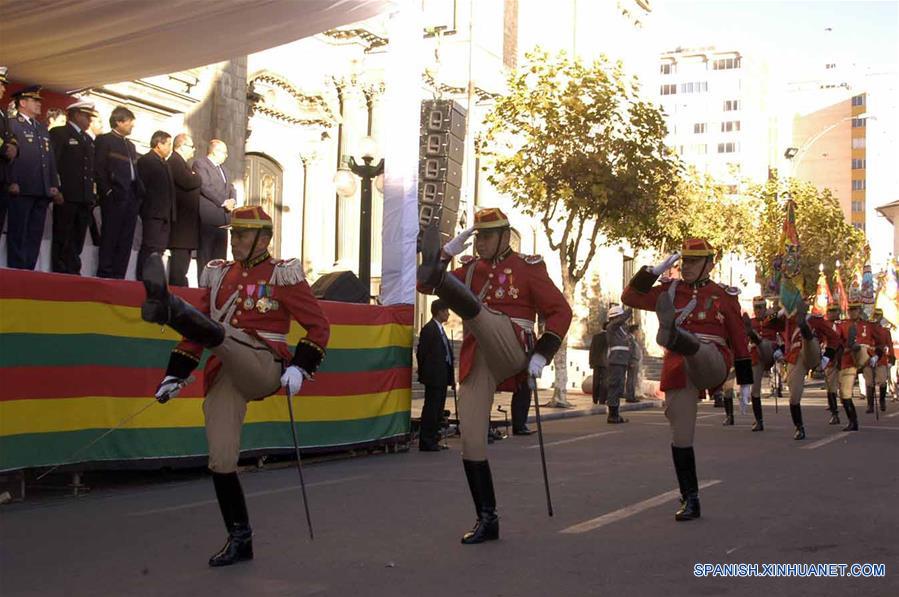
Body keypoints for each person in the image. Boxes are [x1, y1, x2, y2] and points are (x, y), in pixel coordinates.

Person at [140, 205, 329, 567]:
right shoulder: (219, 275)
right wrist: (175, 375)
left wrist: (301, 367)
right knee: (221, 457)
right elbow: (200, 331)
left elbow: (319, 326)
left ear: (263, 238)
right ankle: (240, 538)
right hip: (225, 366)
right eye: (233, 234)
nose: (234, 240)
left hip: (264, 362)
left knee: (223, 334)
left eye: (241, 234)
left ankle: (167, 307)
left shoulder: (282, 274)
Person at [417, 208, 572, 544]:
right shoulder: (471, 268)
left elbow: (560, 310)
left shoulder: (528, 267)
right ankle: (487, 518)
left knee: (482, 313)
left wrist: (543, 353)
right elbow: (423, 283)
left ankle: (466, 301)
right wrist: (444, 256)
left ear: (504, 236)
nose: (482, 242)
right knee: (471, 439)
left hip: (513, 344)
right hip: (480, 355)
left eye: (487, 236)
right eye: (478, 236)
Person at [621, 238, 752, 521]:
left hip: (712, 360)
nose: (688, 267)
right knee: (681, 436)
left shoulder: (723, 296)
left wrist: (746, 383)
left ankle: (678, 337)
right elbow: (629, 298)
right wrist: (653, 272)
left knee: (698, 349)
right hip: (678, 367)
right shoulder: (669, 291)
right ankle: (690, 498)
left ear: (710, 264)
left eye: (695, 261)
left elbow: (739, 339)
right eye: (685, 261)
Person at [7, 85, 62, 270]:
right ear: (22, 103)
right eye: (35, 101)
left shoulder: (41, 128)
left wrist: (54, 184)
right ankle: (17, 269)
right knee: (19, 232)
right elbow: (11, 158)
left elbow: (50, 158)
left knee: (35, 233)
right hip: (22, 187)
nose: (39, 104)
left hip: (41, 189)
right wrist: (12, 180)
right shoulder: (13, 124)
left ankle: (28, 269)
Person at [49, 100, 97, 274]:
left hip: (83, 197)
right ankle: (60, 270)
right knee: (63, 236)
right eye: (86, 116)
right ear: (76, 115)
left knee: (78, 237)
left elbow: (90, 170)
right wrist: (56, 188)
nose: (89, 120)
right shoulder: (60, 133)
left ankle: (72, 270)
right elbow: (53, 163)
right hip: (67, 195)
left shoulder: (88, 139)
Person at [95, 106, 142, 278]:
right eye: (129, 123)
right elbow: (99, 168)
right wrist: (107, 191)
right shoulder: (105, 140)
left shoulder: (130, 145)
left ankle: (119, 276)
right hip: (114, 197)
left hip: (130, 197)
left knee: (125, 239)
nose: (132, 127)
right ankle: (106, 274)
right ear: (118, 122)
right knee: (110, 237)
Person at [416, 299, 455, 451]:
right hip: (433, 376)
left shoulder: (441, 329)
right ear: (439, 312)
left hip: (443, 376)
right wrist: (425, 372)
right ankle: (426, 440)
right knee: (431, 410)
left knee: (438, 410)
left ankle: (434, 438)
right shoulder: (429, 329)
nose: (448, 314)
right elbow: (422, 353)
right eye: (446, 311)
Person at [135, 130, 174, 280]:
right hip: (152, 212)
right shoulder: (147, 161)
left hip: (164, 213)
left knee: (159, 249)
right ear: (159, 144)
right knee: (149, 248)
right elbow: (142, 187)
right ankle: (142, 278)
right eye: (168, 144)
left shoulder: (164, 163)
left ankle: (154, 277)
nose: (170, 148)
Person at [194, 139, 236, 275]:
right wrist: (224, 201)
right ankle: (203, 287)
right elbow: (205, 186)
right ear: (214, 151)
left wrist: (233, 200)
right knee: (206, 258)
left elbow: (231, 187)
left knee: (219, 260)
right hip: (208, 219)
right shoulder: (201, 164)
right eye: (224, 152)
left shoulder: (225, 170)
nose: (226, 156)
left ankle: (216, 287)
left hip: (223, 221)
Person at [167, 134, 202, 286]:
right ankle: (178, 289)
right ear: (181, 146)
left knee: (184, 264)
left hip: (186, 225)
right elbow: (187, 181)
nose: (193, 150)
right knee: (179, 265)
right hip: (180, 224)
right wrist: (197, 178)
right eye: (191, 146)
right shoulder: (175, 161)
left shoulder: (183, 163)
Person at [744, 297, 777, 431]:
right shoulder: (751, 322)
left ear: (765, 307)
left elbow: (784, 319)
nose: (758, 310)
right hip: (757, 355)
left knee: (765, 344)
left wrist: (773, 311)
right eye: (756, 307)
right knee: (754, 390)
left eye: (760, 307)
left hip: (772, 352)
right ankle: (759, 421)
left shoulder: (773, 319)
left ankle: (756, 338)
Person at [836, 298, 868, 431]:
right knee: (844, 394)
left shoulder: (867, 325)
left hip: (863, 357)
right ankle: (852, 420)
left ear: (859, 311)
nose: (852, 312)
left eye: (855, 310)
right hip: (847, 360)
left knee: (846, 392)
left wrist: (876, 353)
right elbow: (838, 340)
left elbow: (877, 341)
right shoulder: (843, 325)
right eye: (850, 310)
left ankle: (853, 422)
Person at [604, 305, 632, 424]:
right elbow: (621, 320)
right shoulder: (612, 327)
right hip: (616, 361)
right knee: (614, 386)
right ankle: (612, 415)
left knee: (619, 387)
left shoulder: (621, 329)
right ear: (615, 317)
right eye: (620, 316)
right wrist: (631, 307)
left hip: (622, 361)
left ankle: (615, 413)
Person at [0, 67, 19, 237]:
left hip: (3, 177)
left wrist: (13, 146)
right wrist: (5, 148)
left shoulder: (3, 112)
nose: (4, 89)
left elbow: (11, 136)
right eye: (1, 85)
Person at [823, 303, 844, 425]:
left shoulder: (842, 326)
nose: (832, 313)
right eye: (830, 311)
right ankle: (834, 413)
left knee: (844, 390)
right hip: (830, 360)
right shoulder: (824, 325)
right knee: (831, 388)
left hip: (843, 359)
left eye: (835, 311)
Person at [870, 307, 892, 413]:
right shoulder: (868, 329)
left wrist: (891, 358)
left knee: (883, 382)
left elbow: (889, 345)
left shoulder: (885, 331)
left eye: (878, 315)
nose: (876, 317)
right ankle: (870, 405)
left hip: (881, 358)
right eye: (875, 315)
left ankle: (882, 400)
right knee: (870, 383)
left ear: (881, 317)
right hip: (869, 358)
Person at [589, 325, 608, 406]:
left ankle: (595, 398)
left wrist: (591, 362)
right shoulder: (610, 337)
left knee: (596, 380)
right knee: (604, 381)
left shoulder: (596, 337)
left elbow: (592, 350)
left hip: (596, 362)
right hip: (606, 362)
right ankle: (602, 399)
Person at [625, 324, 643, 404]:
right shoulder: (630, 338)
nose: (638, 332)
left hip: (635, 360)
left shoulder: (633, 339)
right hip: (632, 361)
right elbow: (630, 351)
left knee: (633, 379)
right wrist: (630, 361)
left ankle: (631, 395)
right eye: (637, 330)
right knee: (631, 379)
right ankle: (630, 396)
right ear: (634, 331)